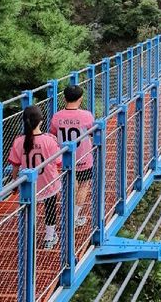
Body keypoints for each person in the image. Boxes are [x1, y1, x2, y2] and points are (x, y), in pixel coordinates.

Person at [9, 105, 61, 249]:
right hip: (48, 181)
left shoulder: (18, 141)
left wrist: (15, 183)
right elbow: (58, 162)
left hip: (28, 185)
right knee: (50, 207)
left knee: (29, 209)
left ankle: (28, 237)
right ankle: (49, 237)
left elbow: (15, 165)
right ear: (41, 121)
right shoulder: (49, 140)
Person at [49, 85, 95, 228]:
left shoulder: (57, 117)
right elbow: (93, 133)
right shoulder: (87, 116)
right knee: (84, 185)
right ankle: (73, 218)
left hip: (64, 159)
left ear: (64, 98)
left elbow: (53, 135)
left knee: (69, 184)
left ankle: (66, 211)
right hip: (84, 158)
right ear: (81, 98)